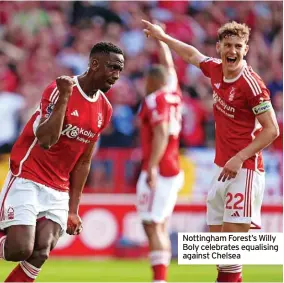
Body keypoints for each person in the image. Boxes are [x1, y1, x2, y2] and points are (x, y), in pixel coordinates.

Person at [142, 20, 279, 283]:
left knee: (229, 255)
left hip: (244, 170)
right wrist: (163, 37)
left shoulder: (252, 85)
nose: (233, 50)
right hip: (221, 170)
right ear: (219, 47)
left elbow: (271, 130)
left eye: (238, 46)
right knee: (221, 258)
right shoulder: (216, 69)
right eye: (228, 45)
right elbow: (192, 54)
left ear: (246, 49)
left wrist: (239, 158)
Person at [0, 42, 124, 282]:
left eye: (120, 69)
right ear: (94, 64)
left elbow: (84, 161)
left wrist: (73, 209)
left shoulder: (105, 109)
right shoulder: (60, 88)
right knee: (19, 250)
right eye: (112, 68)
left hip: (58, 189)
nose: (116, 75)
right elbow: (46, 139)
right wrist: (65, 97)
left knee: (41, 250)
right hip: (28, 176)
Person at [136, 37, 184, 283]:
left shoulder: (155, 99)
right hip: (173, 167)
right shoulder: (174, 92)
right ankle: (160, 276)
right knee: (157, 224)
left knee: (153, 224)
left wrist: (152, 167)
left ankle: (160, 280)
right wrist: (162, 40)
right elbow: (170, 67)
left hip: (160, 169)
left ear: (152, 81)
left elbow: (162, 131)